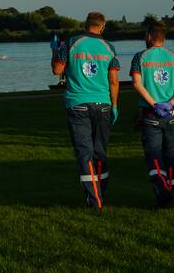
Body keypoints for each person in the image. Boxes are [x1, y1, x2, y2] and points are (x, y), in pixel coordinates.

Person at [51, 12, 120, 209]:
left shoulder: (72, 43)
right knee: (100, 152)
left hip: (78, 103)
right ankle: (101, 191)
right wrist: (114, 106)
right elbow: (114, 81)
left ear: (85, 25)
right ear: (102, 26)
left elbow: (57, 70)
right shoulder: (109, 48)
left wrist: (55, 50)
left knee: (84, 153)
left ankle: (94, 198)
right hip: (103, 104)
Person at [130, 23, 174, 208]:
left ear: (149, 37)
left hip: (151, 114)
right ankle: (170, 193)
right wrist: (171, 102)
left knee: (153, 154)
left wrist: (154, 104)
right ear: (163, 39)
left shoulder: (140, 57)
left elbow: (136, 83)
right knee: (172, 155)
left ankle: (162, 187)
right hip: (173, 113)